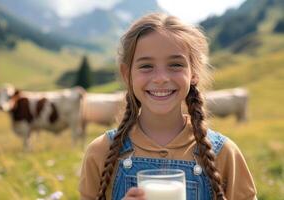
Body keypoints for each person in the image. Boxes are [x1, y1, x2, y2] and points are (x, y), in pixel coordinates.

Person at [79, 13, 257, 200]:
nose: (161, 78)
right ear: (127, 74)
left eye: (175, 64)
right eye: (146, 66)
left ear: (194, 72)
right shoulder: (101, 152)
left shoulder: (224, 153)